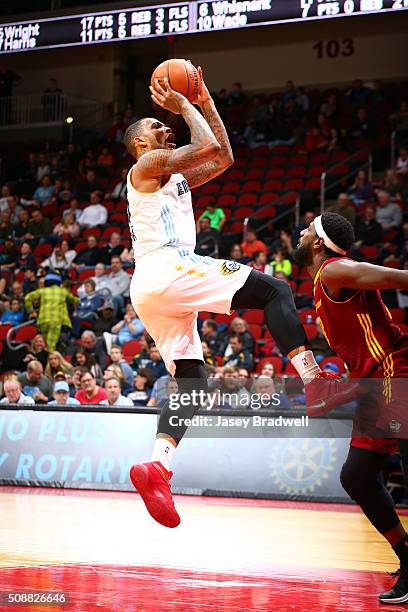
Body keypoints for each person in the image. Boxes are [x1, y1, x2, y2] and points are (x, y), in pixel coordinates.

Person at [124, 69, 337, 529]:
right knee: (276, 289)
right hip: (168, 266)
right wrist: (184, 105)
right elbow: (201, 146)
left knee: (193, 377)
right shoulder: (144, 167)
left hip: (154, 285)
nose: (163, 127)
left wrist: (206, 102)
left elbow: (221, 156)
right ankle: (314, 381)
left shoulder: (171, 176)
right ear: (140, 146)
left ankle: (157, 466)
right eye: (154, 127)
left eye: (164, 124)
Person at [293, 211, 408, 603]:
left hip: (395, 368)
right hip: (375, 383)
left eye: (309, 227)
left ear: (320, 242)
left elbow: (376, 275)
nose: (303, 231)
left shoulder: (334, 271)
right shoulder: (324, 279)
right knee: (357, 476)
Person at [24, 272, 78, 351]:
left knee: (44, 343)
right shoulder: (63, 291)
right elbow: (74, 300)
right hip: (56, 321)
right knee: (50, 346)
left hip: (42, 321)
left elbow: (27, 298)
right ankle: (47, 360)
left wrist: (31, 312)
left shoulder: (42, 291)